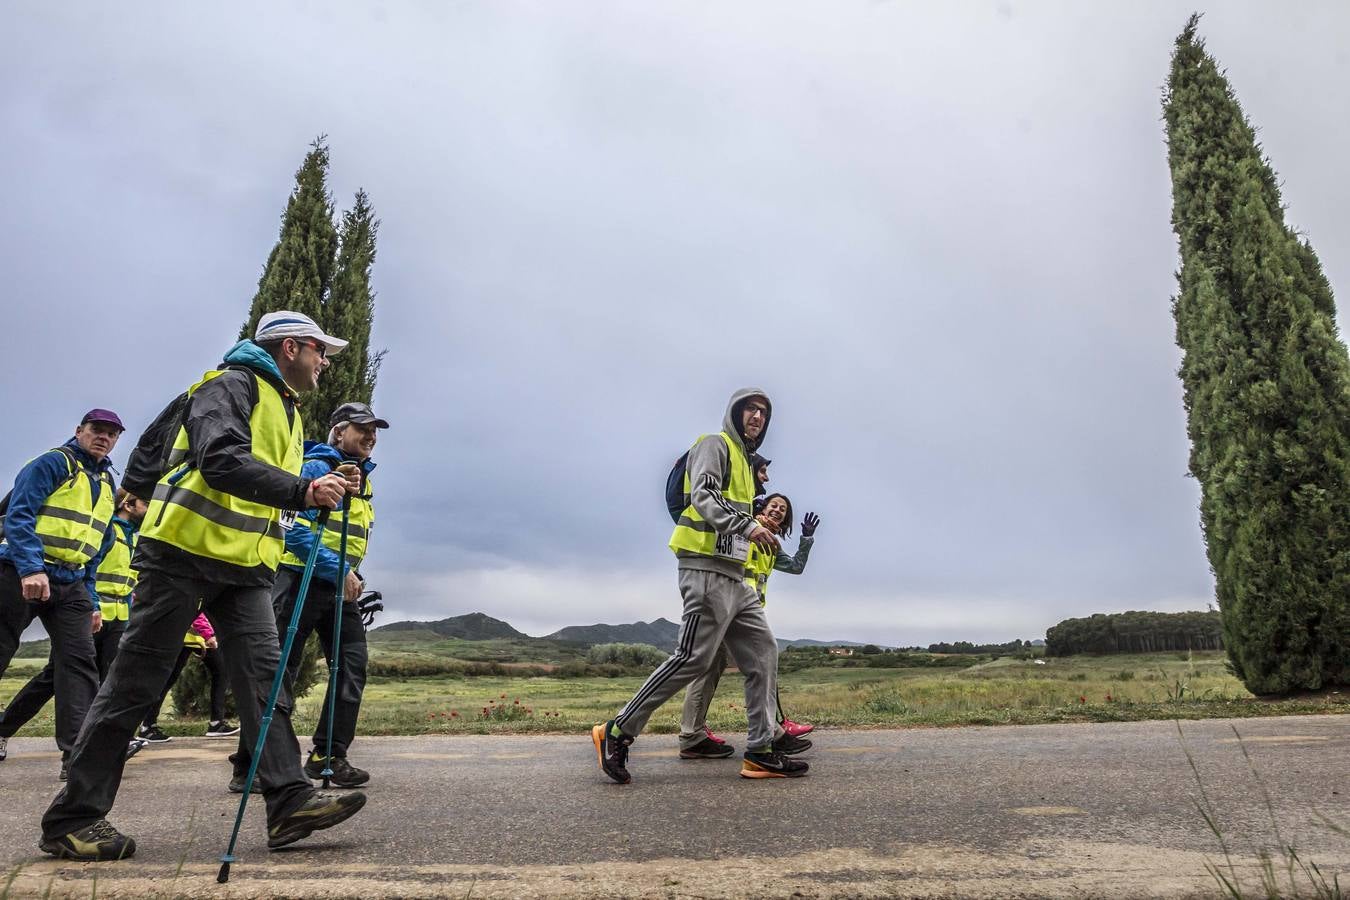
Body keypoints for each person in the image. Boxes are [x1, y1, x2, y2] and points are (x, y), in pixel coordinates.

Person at [41, 311, 366, 861]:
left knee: (265, 681)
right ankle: (72, 818)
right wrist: (305, 491)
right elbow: (219, 460)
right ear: (290, 348)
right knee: (134, 685)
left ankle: (288, 803)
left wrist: (328, 480)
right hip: (182, 558)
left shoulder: (282, 407)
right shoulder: (232, 385)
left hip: (243, 569)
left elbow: (154, 444)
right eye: (319, 350)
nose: (324, 361)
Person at [593, 388, 808, 782]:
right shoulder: (714, 445)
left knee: (764, 654)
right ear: (735, 412)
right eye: (750, 409)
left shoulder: (745, 464)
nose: (757, 417)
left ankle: (761, 751)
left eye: (764, 412)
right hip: (705, 570)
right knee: (691, 658)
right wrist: (749, 525)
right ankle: (618, 731)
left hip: (737, 577)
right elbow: (704, 496)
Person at [231, 401, 386, 790]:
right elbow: (292, 528)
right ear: (338, 431)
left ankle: (328, 757)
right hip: (298, 581)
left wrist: (348, 573)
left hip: (340, 587)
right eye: (361, 428)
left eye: (374, 431)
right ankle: (250, 765)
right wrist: (339, 568)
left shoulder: (363, 480)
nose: (370, 436)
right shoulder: (316, 467)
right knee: (280, 670)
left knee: (352, 667)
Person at [0, 411, 122, 775]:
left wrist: (93, 602)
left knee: (79, 663)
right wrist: (31, 568)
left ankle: (76, 755)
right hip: (20, 572)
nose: (104, 438)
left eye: (112, 434)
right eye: (97, 430)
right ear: (79, 431)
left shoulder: (105, 485)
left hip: (71, 583)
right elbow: (19, 515)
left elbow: (96, 546)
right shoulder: (53, 463)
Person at [0, 488, 149, 768]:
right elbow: (88, 567)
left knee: (105, 680)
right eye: (145, 503)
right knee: (53, 679)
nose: (148, 509)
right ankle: (4, 728)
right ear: (128, 504)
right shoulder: (105, 528)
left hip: (118, 614)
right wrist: (92, 603)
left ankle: (88, 746)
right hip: (88, 609)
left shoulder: (135, 537)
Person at [679, 493, 820, 759]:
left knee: (723, 665)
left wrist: (807, 539)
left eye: (783, 509)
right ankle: (768, 735)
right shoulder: (745, 529)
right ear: (761, 507)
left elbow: (796, 567)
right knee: (722, 664)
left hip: (745, 611)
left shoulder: (770, 544)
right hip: (729, 605)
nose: (778, 510)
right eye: (774, 506)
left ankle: (696, 735)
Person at [137, 612, 235, 742]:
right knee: (167, 679)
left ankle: (216, 723)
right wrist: (208, 634)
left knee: (221, 672)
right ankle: (147, 726)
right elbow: (196, 609)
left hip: (195, 637)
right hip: (186, 636)